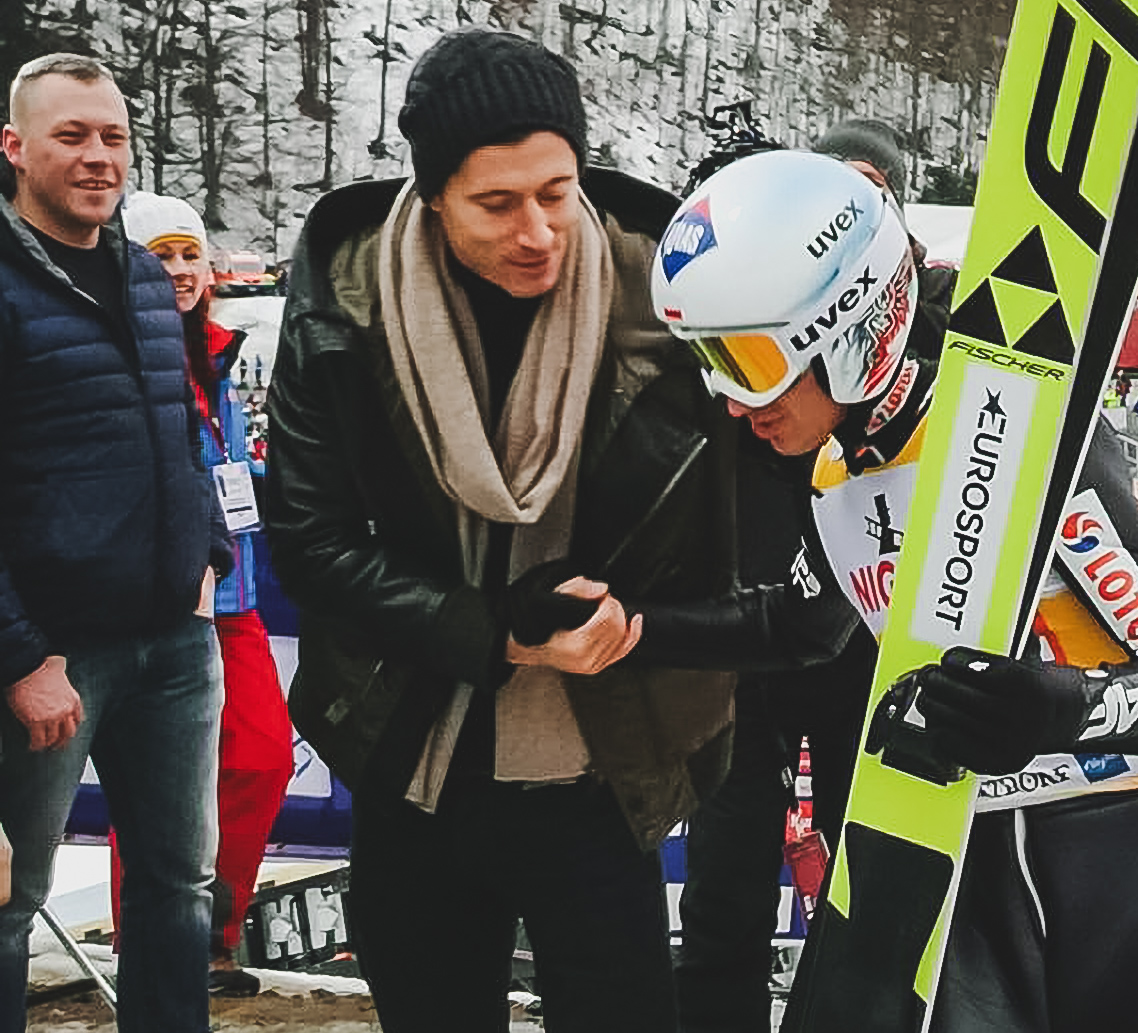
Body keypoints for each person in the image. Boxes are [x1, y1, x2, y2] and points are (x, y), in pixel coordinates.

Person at [264, 28, 849, 1032]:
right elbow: (313, 547)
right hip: (413, 752)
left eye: (556, 190)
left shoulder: (665, 300)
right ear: (435, 195)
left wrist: (652, 622)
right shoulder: (343, 310)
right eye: (497, 203)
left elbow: (789, 448)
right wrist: (493, 629)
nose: (537, 229)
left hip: (603, 758)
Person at [652, 149, 1138, 1032]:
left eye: (752, 359)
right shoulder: (836, 471)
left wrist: (1057, 709)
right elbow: (800, 623)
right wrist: (632, 629)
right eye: (711, 360)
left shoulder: (1008, 420)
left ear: (847, 328)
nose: (732, 399)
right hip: (983, 874)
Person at [673, 121, 949, 1033]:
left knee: (869, 886)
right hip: (752, 639)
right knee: (724, 886)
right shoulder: (754, 334)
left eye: (869, 188)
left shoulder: (920, 324)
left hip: (855, 650)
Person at [0, 54, 230, 1033]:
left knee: (180, 885)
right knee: (11, 900)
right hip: (53, 656)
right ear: (14, 148)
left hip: (176, 643)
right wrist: (20, 655)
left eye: (113, 137)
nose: (99, 157)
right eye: (72, 136)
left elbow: (176, 428)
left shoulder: (142, 275)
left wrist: (206, 555)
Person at [117, 191, 294, 998]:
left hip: (236, 595)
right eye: (161, 256)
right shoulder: (119, 350)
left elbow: (229, 473)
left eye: (190, 253)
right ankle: (154, 941)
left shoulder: (220, 353)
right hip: (158, 602)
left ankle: (216, 928)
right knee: (156, 780)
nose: (182, 271)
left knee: (259, 757)